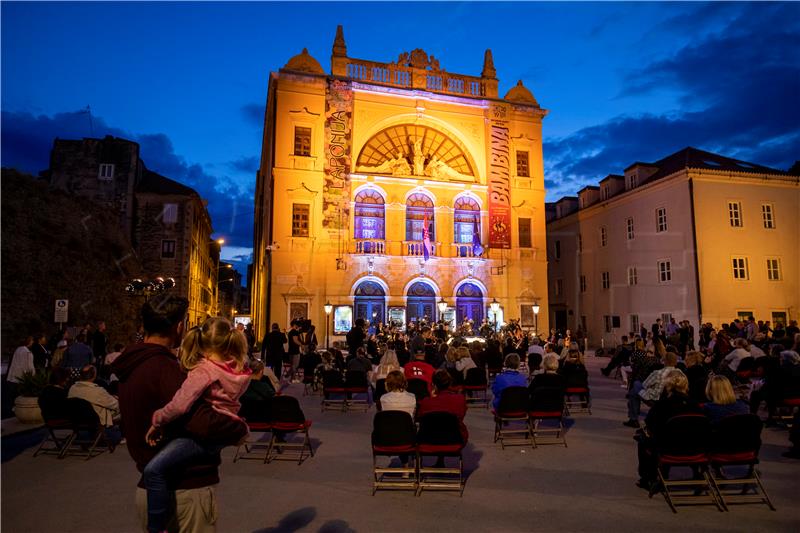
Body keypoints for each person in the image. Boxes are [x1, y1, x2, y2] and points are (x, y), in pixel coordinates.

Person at [111, 297, 222, 533]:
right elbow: (204, 424)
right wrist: (236, 427)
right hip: (184, 492)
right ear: (179, 327)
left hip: (149, 489)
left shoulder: (129, 368)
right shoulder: (167, 370)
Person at [142, 317, 251, 533]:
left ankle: (156, 528)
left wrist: (158, 419)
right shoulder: (238, 371)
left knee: (153, 471)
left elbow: (180, 405)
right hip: (223, 431)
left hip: (202, 436)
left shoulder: (204, 371)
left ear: (201, 343)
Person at [635, 370, 702, 489]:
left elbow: (650, 424)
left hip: (668, 448)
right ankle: (697, 473)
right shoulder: (695, 405)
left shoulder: (663, 405)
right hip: (696, 448)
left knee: (643, 440)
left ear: (668, 386)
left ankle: (647, 478)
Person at [67, 364, 123, 444]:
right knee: (125, 408)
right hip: (96, 418)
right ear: (94, 376)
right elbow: (116, 405)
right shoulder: (97, 391)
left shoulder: (72, 388)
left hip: (78, 417)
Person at [624, 351, 681, 428]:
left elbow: (645, 385)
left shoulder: (658, 373)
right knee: (634, 392)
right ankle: (633, 418)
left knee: (636, 385)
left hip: (655, 398)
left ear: (665, 361)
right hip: (671, 398)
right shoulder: (679, 373)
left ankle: (633, 419)